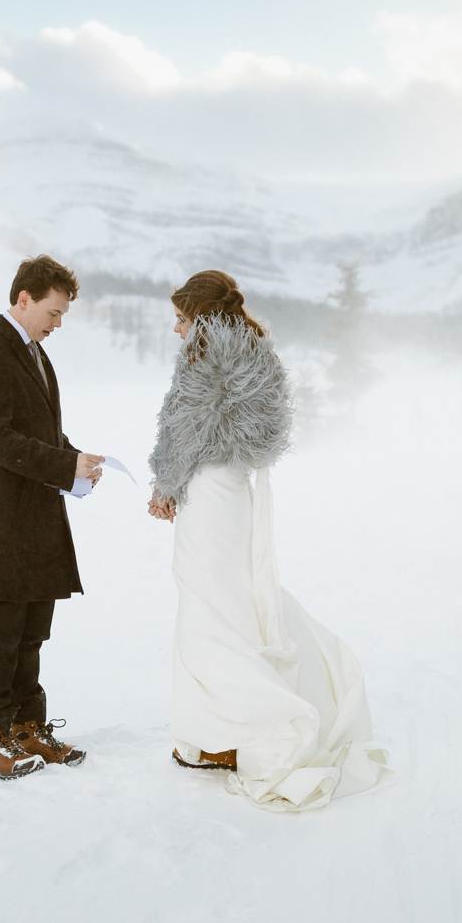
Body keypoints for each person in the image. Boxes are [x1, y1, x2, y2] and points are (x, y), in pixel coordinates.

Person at [147, 270, 391, 811]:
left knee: (208, 604)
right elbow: (262, 432)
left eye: (182, 318)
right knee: (236, 596)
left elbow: (185, 429)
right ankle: (228, 728)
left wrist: (164, 485)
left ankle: (229, 733)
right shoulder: (255, 350)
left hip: (206, 490)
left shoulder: (204, 354)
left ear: (202, 317)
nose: (176, 329)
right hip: (238, 489)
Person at [0, 255, 105, 779]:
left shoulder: (35, 355)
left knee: (32, 630)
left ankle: (26, 728)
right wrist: (63, 463)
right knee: (0, 631)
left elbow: (40, 432)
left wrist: (76, 462)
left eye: (61, 315)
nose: (57, 323)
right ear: (24, 299)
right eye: (54, 312)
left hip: (37, 518)